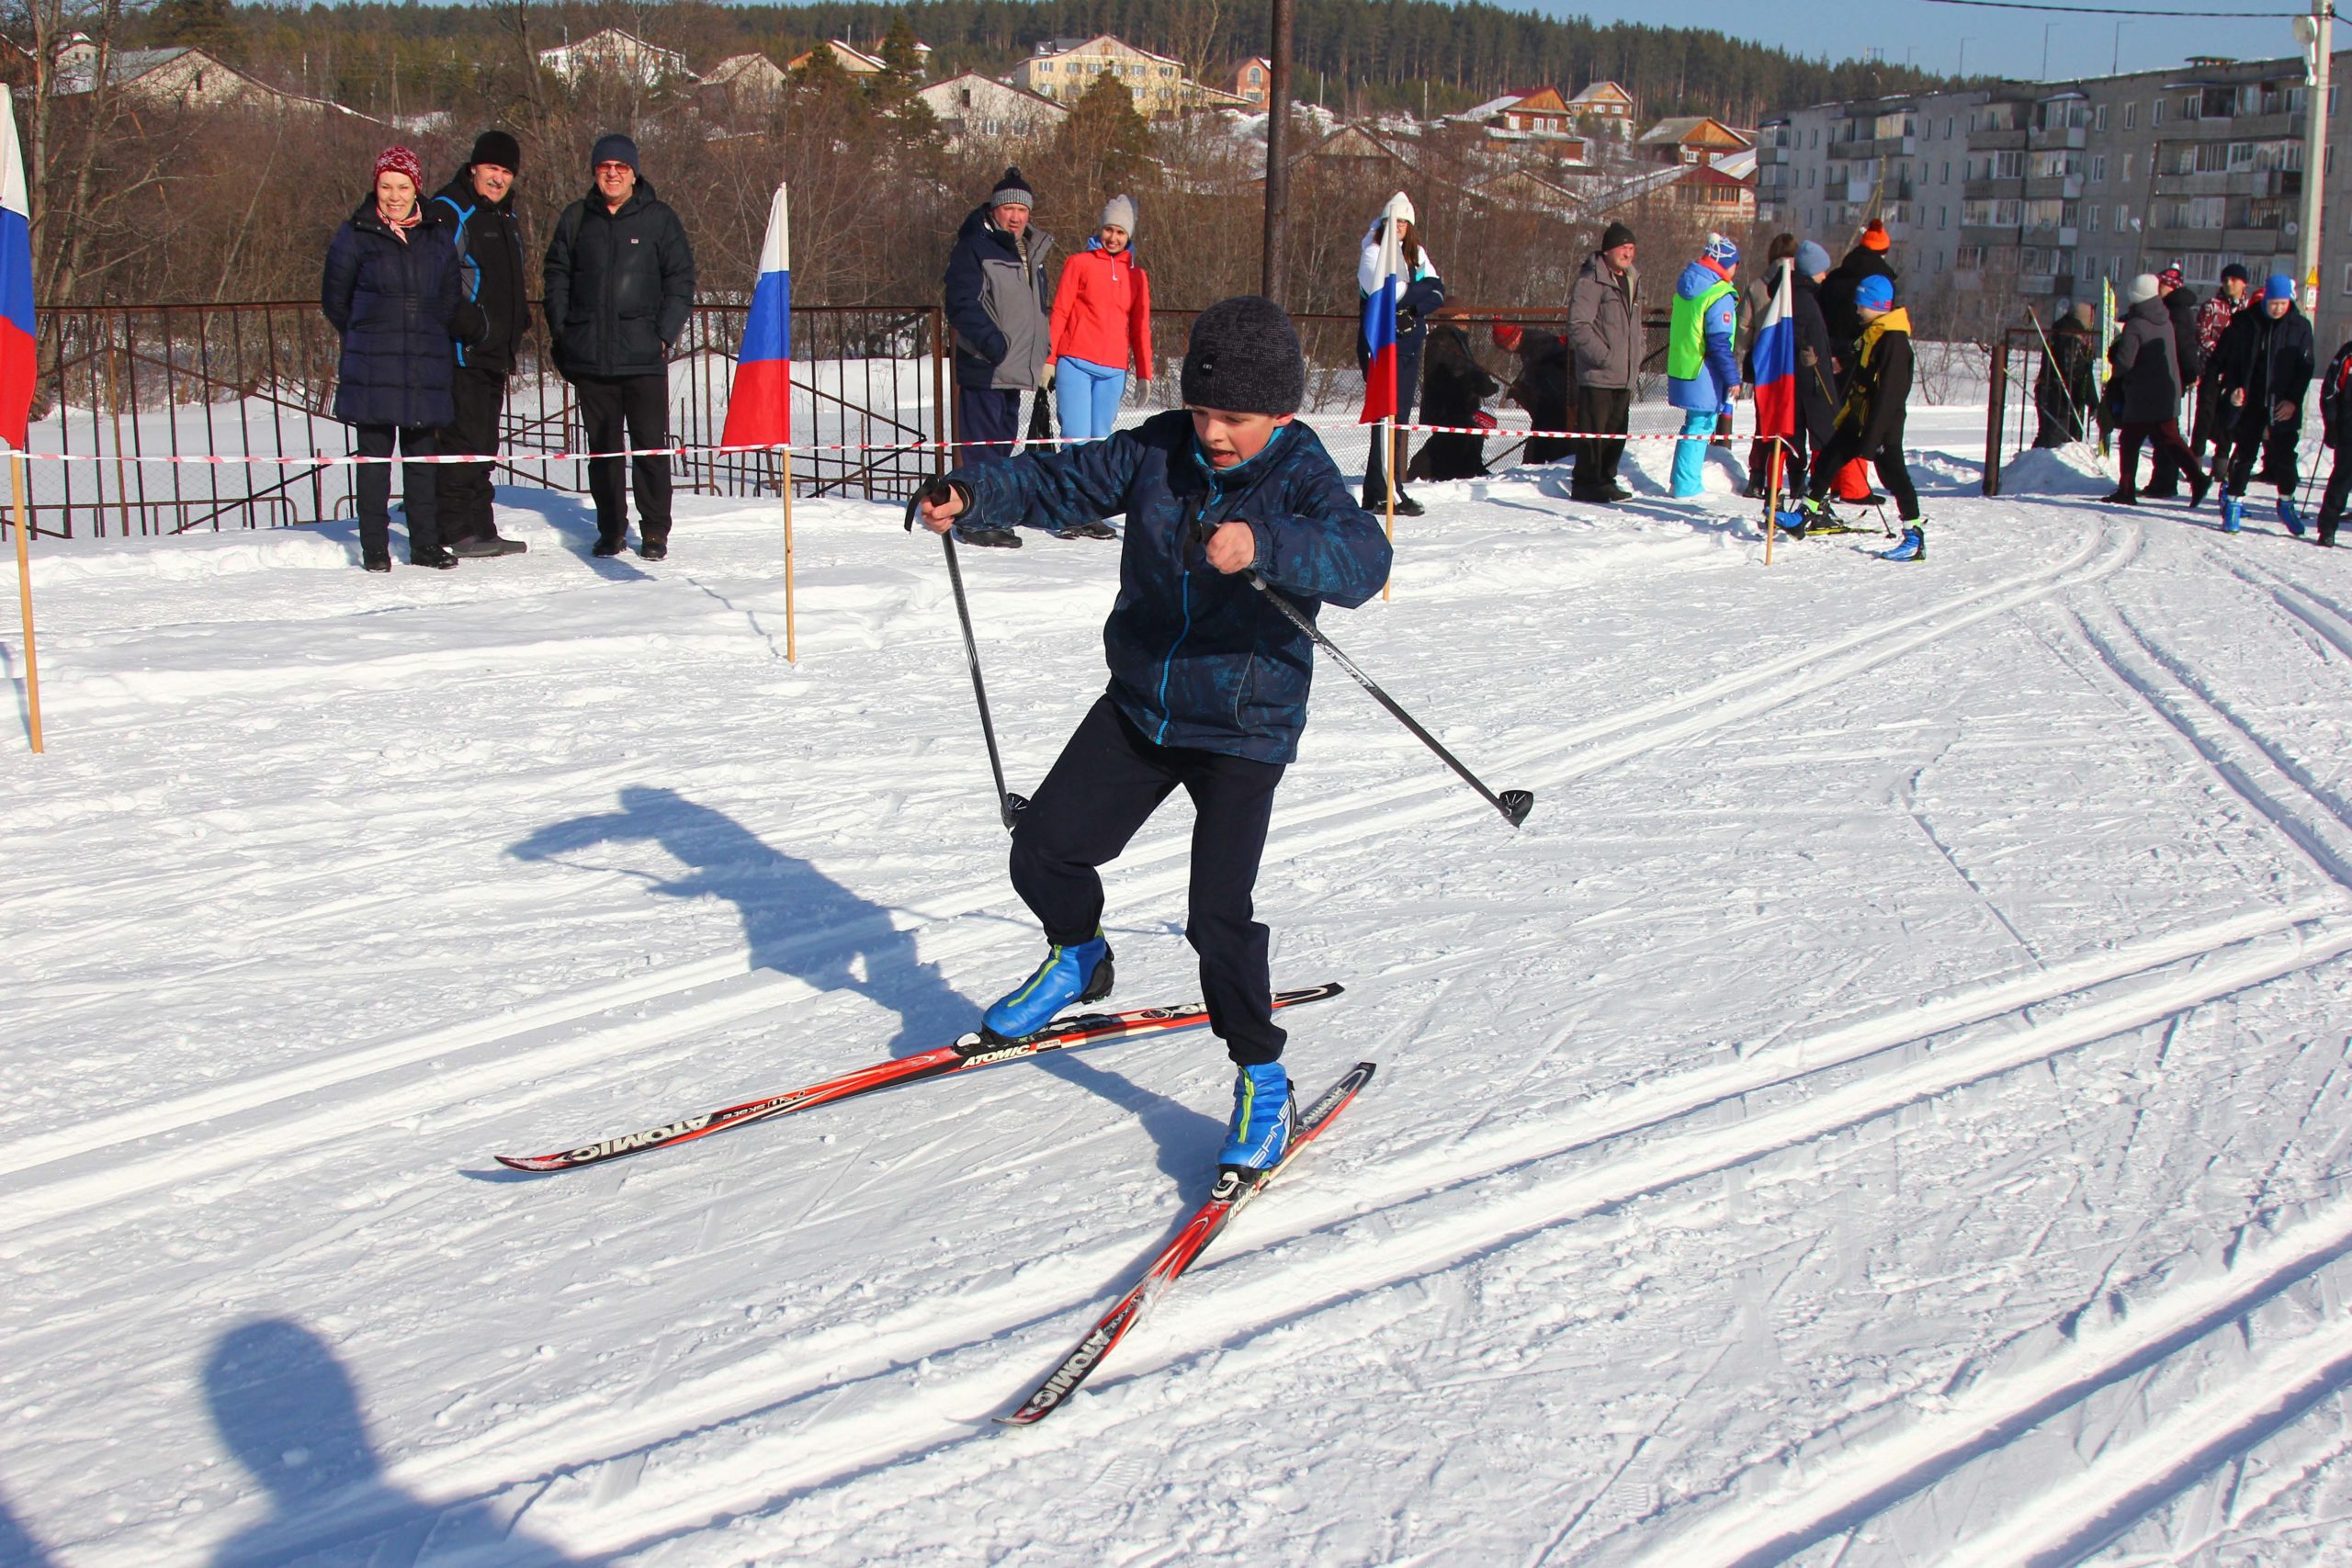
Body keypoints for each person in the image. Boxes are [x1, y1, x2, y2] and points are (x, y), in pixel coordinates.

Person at [910, 297, 1390, 1186]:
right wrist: (973, 489)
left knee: (1217, 918)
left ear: (1280, 414)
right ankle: (1079, 955)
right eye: (1204, 410)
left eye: (1234, 419)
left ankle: (1262, 1077)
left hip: (1243, 725)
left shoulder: (1302, 476)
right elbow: (1063, 483)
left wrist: (1263, 542)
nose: (1212, 433)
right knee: (1044, 851)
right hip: (1142, 702)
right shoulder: (1160, 446)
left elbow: (1364, 561)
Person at [322, 145, 477, 572]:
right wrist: (367, 333)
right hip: (373, 364)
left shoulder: (436, 232)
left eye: (402, 186)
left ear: (416, 188)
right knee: (373, 461)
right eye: (386, 186)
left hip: (424, 361)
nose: (394, 195)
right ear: (375, 187)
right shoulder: (355, 233)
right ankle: (375, 546)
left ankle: (425, 544)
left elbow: (448, 297)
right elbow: (335, 300)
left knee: (422, 460)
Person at [543, 133, 695, 561]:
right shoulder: (576, 219)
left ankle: (655, 531)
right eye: (605, 167)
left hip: (644, 357)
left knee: (650, 448)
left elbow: (681, 280)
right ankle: (610, 529)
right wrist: (563, 330)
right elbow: (556, 276)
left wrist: (663, 334)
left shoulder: (659, 219)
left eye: (621, 167)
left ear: (634, 172)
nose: (613, 174)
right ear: (595, 171)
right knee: (604, 452)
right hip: (591, 357)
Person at [429, 130, 529, 558]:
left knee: (484, 443)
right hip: (460, 351)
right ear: (474, 168)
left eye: (506, 172)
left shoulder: (505, 216)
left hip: (494, 352)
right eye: (492, 169)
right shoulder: (450, 209)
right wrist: (472, 325)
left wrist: (517, 322)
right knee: (460, 442)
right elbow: (437, 282)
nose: (498, 178)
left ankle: (481, 526)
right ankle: (455, 528)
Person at [1792, 275, 1928, 559]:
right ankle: (1804, 513)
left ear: (1876, 304)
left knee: (1894, 476)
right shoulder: (1875, 332)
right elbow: (1861, 362)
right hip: (1859, 415)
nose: (1856, 310)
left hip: (1881, 424)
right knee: (1830, 457)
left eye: (1861, 305)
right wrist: (1834, 363)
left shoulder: (1894, 341)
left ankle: (1914, 535)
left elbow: (1890, 395)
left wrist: (1873, 439)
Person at [944, 167, 1055, 490]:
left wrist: (1043, 352)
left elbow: (1037, 310)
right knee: (981, 448)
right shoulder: (974, 248)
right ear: (994, 210)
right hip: (986, 366)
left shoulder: (1033, 252)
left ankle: (993, 508)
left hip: (1017, 368)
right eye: (1009, 209)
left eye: (1022, 210)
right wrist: (993, 345)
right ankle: (977, 515)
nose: (1016, 217)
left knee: (1002, 447)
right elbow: (962, 304)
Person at [1357, 196, 1444, 516]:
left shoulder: (1415, 255)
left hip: (1408, 346)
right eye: (1393, 223)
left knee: (1399, 420)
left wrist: (1410, 305)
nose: (1398, 228)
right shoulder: (1373, 253)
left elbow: (1437, 291)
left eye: (1404, 223)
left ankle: (1385, 487)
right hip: (1381, 346)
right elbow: (1385, 290)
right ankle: (1382, 491)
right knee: (1385, 417)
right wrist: (1412, 297)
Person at [2211, 274, 2316, 535]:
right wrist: (2234, 388)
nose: (2278, 308)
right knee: (2245, 454)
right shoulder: (2247, 323)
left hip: (2282, 402)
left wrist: (2292, 400)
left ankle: (2287, 503)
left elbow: (2305, 369)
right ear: (2265, 299)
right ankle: (2234, 503)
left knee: (2284, 458)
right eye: (2273, 303)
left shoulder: (2299, 326)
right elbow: (2233, 361)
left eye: (2282, 303)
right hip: (2251, 400)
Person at [1047, 194, 1153, 453]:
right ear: (1100, 228)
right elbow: (1060, 311)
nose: (1113, 238)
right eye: (1109, 229)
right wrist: (1049, 360)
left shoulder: (1137, 277)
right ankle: (1072, 492)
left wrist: (1144, 374)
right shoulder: (1078, 263)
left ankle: (1096, 494)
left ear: (1129, 235)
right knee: (1076, 439)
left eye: (1120, 232)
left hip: (1114, 371)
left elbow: (1140, 327)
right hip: (1075, 363)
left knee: (1102, 443)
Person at [2099, 273, 2209, 509]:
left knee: (2129, 441)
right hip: (2166, 394)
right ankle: (2198, 479)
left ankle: (2127, 489)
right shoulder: (2165, 319)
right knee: (2170, 438)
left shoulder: (2136, 324)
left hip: (2141, 395)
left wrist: (2115, 359)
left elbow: (2124, 364)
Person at [1819, 220, 1897, 503]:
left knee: (1834, 419)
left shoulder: (1837, 277)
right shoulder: (1882, 283)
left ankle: (1831, 482)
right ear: (1884, 252)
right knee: (1859, 418)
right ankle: (1855, 487)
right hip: (1860, 354)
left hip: (1829, 354)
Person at [1566, 221, 1638, 502]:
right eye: (1624, 248)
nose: (1629, 254)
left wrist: (1637, 353)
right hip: (1599, 374)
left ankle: (1607, 480)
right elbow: (1578, 325)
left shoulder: (1632, 279)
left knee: (1616, 432)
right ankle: (1586, 483)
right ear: (1608, 250)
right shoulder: (1591, 280)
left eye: (1632, 248)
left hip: (1625, 373)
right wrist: (1604, 357)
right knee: (1593, 431)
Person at [1668, 233, 1741, 499]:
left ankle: (1680, 481)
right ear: (1726, 263)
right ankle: (1687, 485)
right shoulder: (1719, 293)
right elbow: (1720, 342)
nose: (1736, 270)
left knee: (1693, 424)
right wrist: (1733, 377)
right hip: (1704, 371)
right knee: (1701, 426)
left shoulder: (1689, 285)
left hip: (1684, 365)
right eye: (1735, 263)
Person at [1778, 240, 1839, 500]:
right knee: (1820, 433)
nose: (1825, 275)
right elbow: (1795, 332)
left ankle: (1806, 485)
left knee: (1804, 432)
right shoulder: (1801, 296)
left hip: (1809, 374)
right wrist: (1808, 354)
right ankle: (1812, 490)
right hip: (1810, 378)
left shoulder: (1801, 292)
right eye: (1822, 269)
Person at [1411, 302, 1498, 481]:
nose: (1467, 318)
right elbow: (1456, 369)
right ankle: (1426, 473)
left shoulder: (1456, 338)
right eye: (1462, 314)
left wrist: (1479, 380)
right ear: (1452, 316)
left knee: (1464, 440)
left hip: (1459, 403)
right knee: (1451, 443)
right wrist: (1476, 380)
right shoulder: (1444, 339)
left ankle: (1469, 468)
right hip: (1449, 405)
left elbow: (1465, 367)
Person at [1740, 233, 1799, 496]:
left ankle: (1756, 478)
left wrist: (1741, 361)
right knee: (1791, 424)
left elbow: (1743, 329)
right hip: (1792, 366)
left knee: (1763, 423)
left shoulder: (1756, 287)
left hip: (1763, 365)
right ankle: (1792, 480)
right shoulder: (1799, 285)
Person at [2145, 265, 2204, 498]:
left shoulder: (2177, 310)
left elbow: (2185, 345)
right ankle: (2166, 480)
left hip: (2171, 377)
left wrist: (2191, 373)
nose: (2160, 288)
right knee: (2162, 431)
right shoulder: (2171, 308)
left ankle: (2170, 481)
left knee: (2165, 432)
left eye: (2164, 284)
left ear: (2172, 287)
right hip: (2168, 376)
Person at [2191, 264, 2256, 467]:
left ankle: (2221, 461)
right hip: (2212, 370)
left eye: (2233, 280)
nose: (2229, 283)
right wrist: (2223, 355)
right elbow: (2201, 336)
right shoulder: (2211, 306)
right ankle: (2195, 460)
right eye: (2226, 280)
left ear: (2243, 283)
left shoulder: (2250, 309)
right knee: (2205, 416)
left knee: (2229, 417)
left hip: (2236, 374)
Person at [1494, 321, 1573, 465]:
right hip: (1552, 399)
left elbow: (1540, 374)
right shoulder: (1531, 344)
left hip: (1555, 399)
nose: (1508, 350)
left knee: (1545, 442)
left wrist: (1524, 388)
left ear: (1514, 337)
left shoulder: (1535, 346)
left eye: (1507, 345)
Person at [2033, 300, 2098, 448]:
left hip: (2049, 390)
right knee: (2056, 437)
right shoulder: (2070, 337)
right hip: (2059, 394)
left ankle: (2032, 465)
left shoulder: (2059, 331)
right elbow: (2074, 371)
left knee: (2048, 433)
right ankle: (2040, 467)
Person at [2314, 333, 2351, 548]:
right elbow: (2329, 391)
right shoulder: (2348, 354)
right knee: (2342, 480)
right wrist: (2332, 424)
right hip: (2348, 430)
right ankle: (2327, 528)